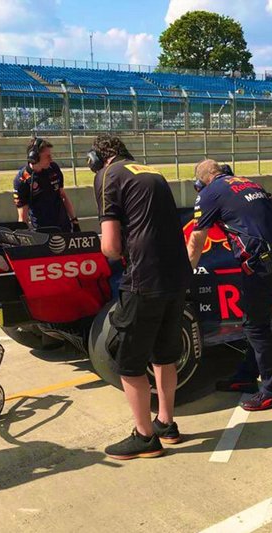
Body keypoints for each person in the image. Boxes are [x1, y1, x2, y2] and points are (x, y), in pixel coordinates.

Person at [90, 134, 192, 459]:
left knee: (128, 360)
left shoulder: (108, 175)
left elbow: (111, 247)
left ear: (98, 157)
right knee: (165, 354)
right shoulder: (151, 172)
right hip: (176, 277)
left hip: (143, 279)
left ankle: (145, 437)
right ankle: (166, 423)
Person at [187, 159, 272, 411]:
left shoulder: (209, 192)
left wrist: (183, 277)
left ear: (200, 182)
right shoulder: (248, 182)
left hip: (260, 263)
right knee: (253, 323)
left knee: (257, 327)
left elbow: (196, 241)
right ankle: (246, 375)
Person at [13, 137, 79, 232]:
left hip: (63, 226)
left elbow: (63, 195)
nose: (51, 159)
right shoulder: (21, 180)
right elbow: (22, 217)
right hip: (42, 231)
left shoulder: (54, 168)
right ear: (34, 157)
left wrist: (74, 220)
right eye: (47, 156)